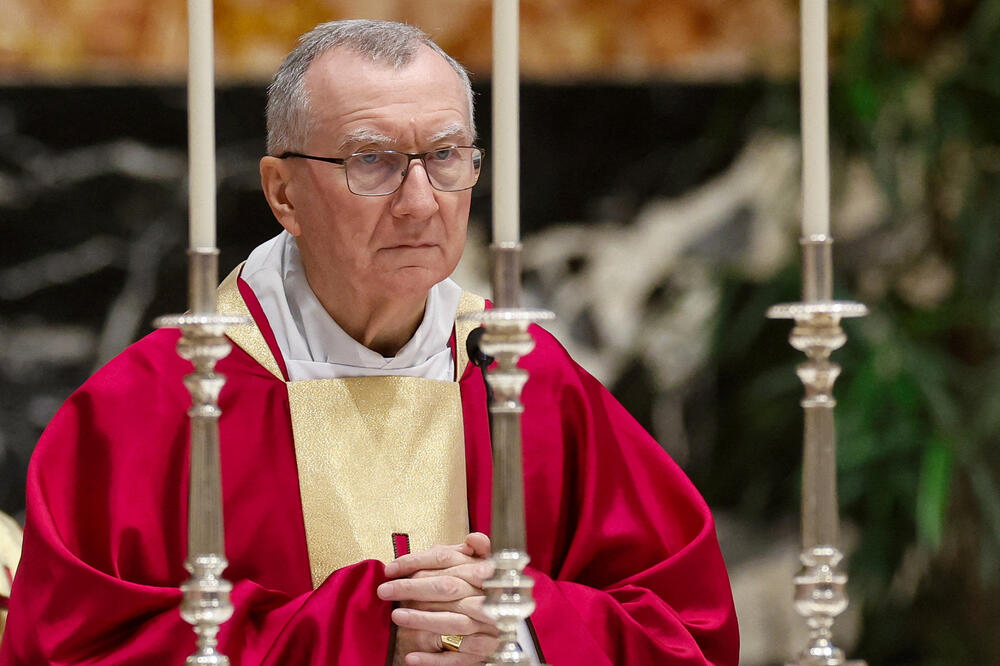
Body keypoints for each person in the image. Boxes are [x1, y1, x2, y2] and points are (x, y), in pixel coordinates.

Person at [0, 19, 738, 665]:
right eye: (372, 161)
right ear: (283, 193)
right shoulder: (157, 405)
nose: (420, 202)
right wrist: (363, 632)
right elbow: (68, 649)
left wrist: (523, 623)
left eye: (446, 156)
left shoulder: (526, 378)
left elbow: (687, 631)